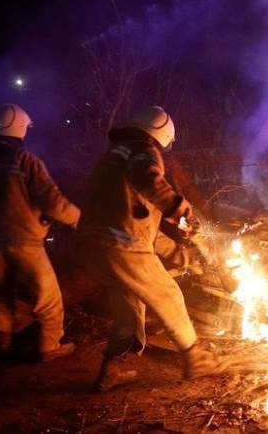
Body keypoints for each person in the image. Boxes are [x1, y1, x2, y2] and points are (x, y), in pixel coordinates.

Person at [78, 105, 222, 391]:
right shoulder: (143, 151)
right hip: (121, 242)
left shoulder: (114, 155)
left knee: (129, 306)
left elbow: (145, 232)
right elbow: (150, 181)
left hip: (90, 242)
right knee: (168, 295)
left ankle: (114, 368)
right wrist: (184, 216)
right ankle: (195, 358)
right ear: (163, 134)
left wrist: (184, 256)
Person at [0, 104, 80, 361]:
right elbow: (52, 201)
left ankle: (0, 342)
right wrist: (81, 220)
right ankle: (50, 347)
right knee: (48, 298)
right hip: (23, 240)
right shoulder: (24, 160)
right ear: (20, 128)